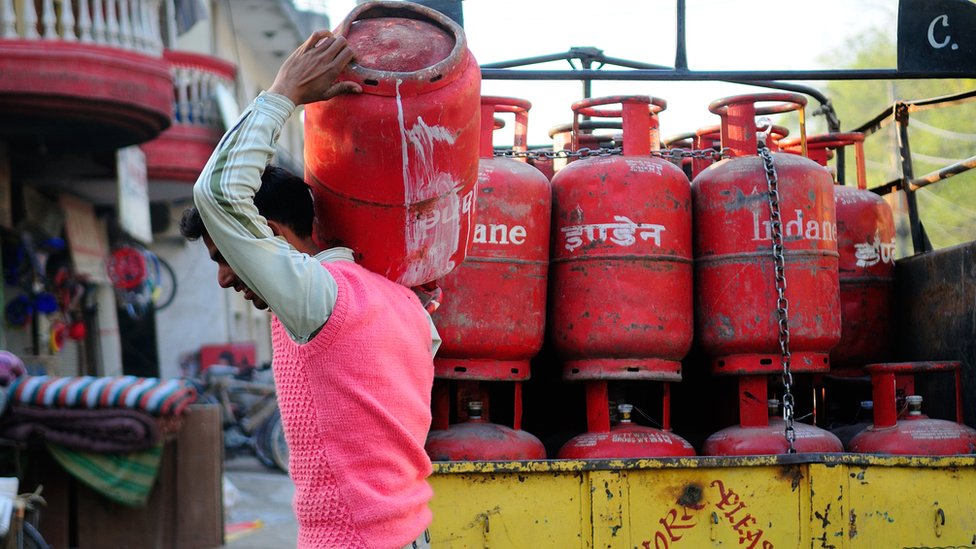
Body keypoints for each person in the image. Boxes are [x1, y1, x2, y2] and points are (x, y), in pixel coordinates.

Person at [179, 30, 438, 549]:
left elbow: (219, 193)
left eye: (225, 257)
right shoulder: (405, 305)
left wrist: (283, 93)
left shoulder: (321, 298)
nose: (224, 278)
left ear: (268, 236)